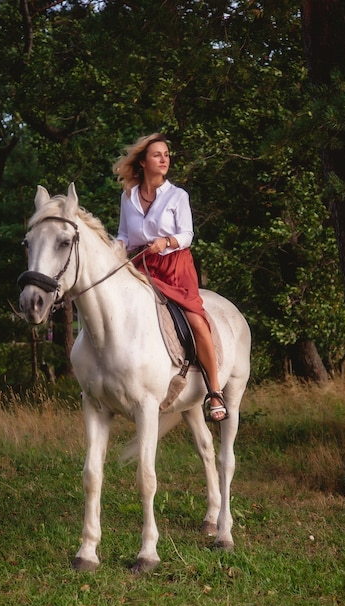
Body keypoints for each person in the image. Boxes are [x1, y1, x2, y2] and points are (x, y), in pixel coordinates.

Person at [113, 133, 227, 422]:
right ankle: (105, 378)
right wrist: (115, 250)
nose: (164, 159)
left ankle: (214, 391)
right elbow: (124, 234)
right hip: (140, 264)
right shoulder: (128, 196)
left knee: (196, 321)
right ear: (142, 162)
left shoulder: (178, 196)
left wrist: (165, 242)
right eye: (157, 155)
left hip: (174, 265)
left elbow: (187, 235)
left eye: (166, 154)